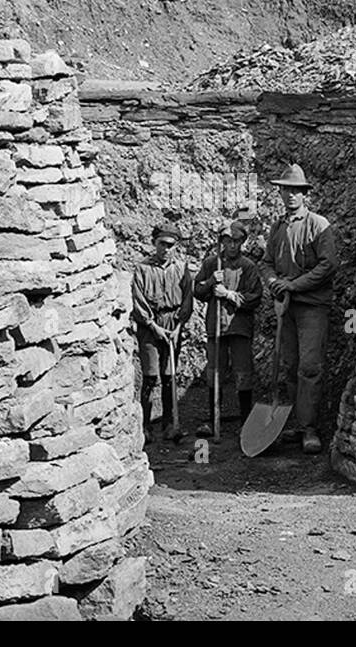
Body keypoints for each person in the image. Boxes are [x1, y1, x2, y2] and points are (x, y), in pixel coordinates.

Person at [260, 163, 339, 454]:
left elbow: (328, 265)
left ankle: (310, 428)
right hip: (286, 307)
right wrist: (274, 283)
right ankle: (295, 421)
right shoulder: (278, 227)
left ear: (305, 194)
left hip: (312, 307)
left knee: (310, 367)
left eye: (296, 190)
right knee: (290, 366)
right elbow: (267, 263)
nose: (291, 195)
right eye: (286, 190)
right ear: (280, 193)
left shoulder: (318, 224)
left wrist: (294, 285)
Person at [193, 220, 264, 435]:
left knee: (243, 373)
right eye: (228, 241)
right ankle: (213, 419)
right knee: (215, 371)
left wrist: (229, 295)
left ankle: (245, 421)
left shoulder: (248, 267)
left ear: (242, 242)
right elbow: (197, 291)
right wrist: (210, 283)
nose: (232, 245)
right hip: (216, 325)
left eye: (236, 241)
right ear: (222, 242)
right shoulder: (211, 264)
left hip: (239, 327)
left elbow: (255, 297)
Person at [131, 223, 193, 442]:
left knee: (169, 375)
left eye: (171, 245)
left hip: (173, 324)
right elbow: (138, 302)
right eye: (162, 244)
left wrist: (178, 327)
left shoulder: (181, 269)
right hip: (150, 326)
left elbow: (187, 299)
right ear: (154, 243)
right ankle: (145, 426)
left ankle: (169, 424)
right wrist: (153, 327)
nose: (166, 249)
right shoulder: (143, 269)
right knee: (150, 376)